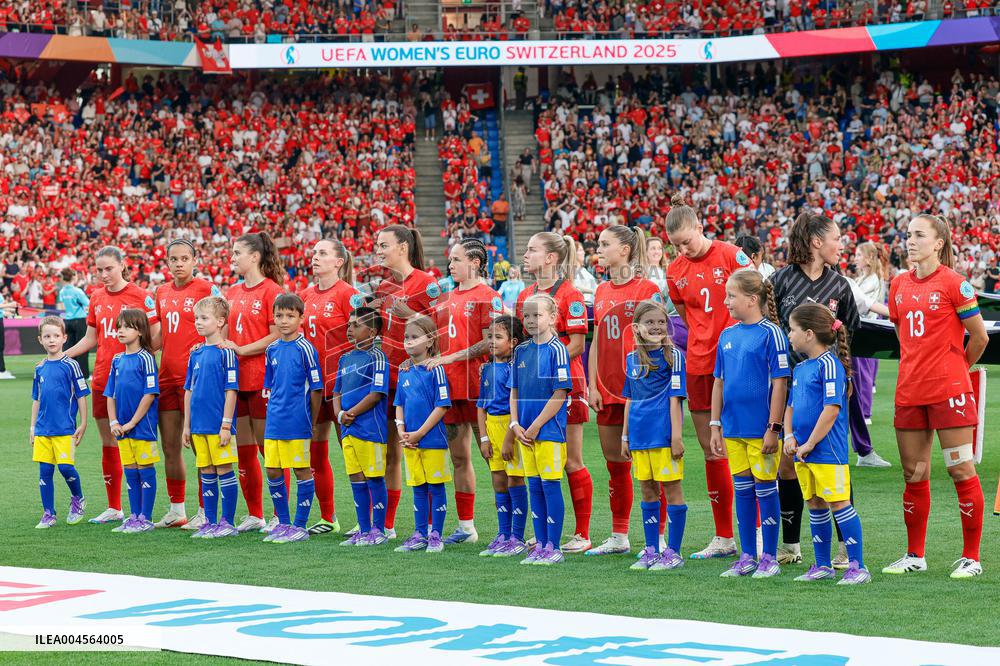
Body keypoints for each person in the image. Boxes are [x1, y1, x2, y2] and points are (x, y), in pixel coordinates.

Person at [769, 212, 882, 567]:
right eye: (836, 238)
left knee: (832, 465)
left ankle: (846, 548)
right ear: (816, 241)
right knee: (789, 464)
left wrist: (839, 374)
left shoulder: (840, 285)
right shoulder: (779, 280)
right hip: (788, 386)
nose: (841, 245)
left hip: (827, 388)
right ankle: (791, 545)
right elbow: (771, 332)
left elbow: (850, 331)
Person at [882, 215, 989, 580]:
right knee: (914, 474)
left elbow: (980, 338)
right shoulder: (898, 284)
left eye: (919, 235)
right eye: (908, 234)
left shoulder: (955, 284)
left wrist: (956, 369)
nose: (910, 241)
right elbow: (903, 337)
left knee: (960, 470)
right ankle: (915, 555)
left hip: (949, 393)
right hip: (910, 391)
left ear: (939, 243)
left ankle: (972, 557)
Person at [665, 194, 747, 559]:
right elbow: (687, 316)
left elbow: (758, 300)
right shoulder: (675, 270)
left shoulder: (731, 256)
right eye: (676, 245)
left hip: (740, 363)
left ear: (700, 227)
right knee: (713, 450)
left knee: (748, 445)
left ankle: (756, 533)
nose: (683, 250)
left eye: (687, 241)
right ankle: (724, 537)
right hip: (699, 363)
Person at [65, 246, 161, 526]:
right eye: (99, 270)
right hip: (103, 380)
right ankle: (114, 507)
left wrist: (137, 362)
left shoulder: (141, 296)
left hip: (133, 385)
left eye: (109, 268)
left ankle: (143, 512)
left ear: (122, 266)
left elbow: (157, 337)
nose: (104, 274)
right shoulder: (96, 297)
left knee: (138, 443)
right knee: (110, 442)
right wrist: (62, 356)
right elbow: (90, 339)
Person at [710, 270, 790, 578]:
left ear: (753, 299)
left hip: (761, 430)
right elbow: (719, 382)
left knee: (766, 490)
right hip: (733, 428)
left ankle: (768, 557)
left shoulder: (771, 334)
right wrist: (715, 424)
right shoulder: (727, 335)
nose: (726, 301)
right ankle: (747, 556)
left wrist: (774, 427)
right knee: (742, 491)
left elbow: (780, 383)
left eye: (732, 296)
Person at [422, 238, 503, 544]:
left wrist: (453, 357)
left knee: (495, 457)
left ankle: (510, 529)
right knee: (459, 457)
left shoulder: (489, 297)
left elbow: (492, 341)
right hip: (450, 386)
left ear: (475, 263)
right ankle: (467, 527)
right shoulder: (444, 298)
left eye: (456, 259)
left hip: (480, 387)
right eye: (450, 260)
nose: (451, 265)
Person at [586, 226, 661, 556]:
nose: (599, 249)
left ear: (625, 250)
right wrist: (592, 384)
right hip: (607, 388)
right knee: (615, 465)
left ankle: (657, 538)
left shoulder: (648, 289)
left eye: (605, 244)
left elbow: (660, 340)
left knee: (649, 465)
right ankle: (619, 536)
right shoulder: (600, 290)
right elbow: (596, 342)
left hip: (641, 391)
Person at [783, 303, 871, 585]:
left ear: (809, 334)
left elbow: (831, 409)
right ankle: (822, 565)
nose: (789, 335)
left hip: (826, 451)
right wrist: (789, 436)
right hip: (803, 451)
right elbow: (791, 407)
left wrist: (810, 443)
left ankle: (857, 567)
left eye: (792, 329)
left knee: (839, 503)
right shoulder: (800, 368)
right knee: (814, 503)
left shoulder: (830, 365)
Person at [516, 233, 593, 554]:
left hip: (565, 386)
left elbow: (577, 344)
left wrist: (544, 365)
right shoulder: (525, 295)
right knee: (538, 462)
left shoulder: (570, 294)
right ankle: (545, 532)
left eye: (532, 249)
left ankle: (582, 533)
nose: (525, 254)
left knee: (571, 460)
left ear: (550, 257)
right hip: (533, 392)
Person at [372, 225, 439, 538]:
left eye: (383, 245)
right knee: (390, 453)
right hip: (388, 378)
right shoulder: (383, 286)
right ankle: (387, 525)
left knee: (421, 450)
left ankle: (431, 526)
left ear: (403, 247)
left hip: (419, 381)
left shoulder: (427, 283)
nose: (379, 250)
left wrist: (410, 313)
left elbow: (440, 329)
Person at [152, 239, 221, 530]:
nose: (179, 263)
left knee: (200, 446)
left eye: (184, 258)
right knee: (170, 446)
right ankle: (176, 509)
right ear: (167, 262)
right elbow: (161, 336)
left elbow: (223, 325)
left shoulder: (207, 289)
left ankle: (206, 510)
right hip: (166, 377)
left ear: (194, 260)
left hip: (197, 379)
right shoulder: (161, 292)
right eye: (173, 259)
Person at [223, 232, 284, 534]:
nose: (232, 258)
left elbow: (278, 333)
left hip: (262, 378)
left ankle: (279, 514)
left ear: (255, 257)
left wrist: (242, 349)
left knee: (267, 450)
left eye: (237, 253)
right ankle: (254, 514)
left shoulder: (272, 291)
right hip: (236, 381)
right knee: (244, 451)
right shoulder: (232, 291)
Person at [622, 300, 688, 571]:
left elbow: (675, 399)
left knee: (671, 490)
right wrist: (625, 436)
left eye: (661, 322)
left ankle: (673, 552)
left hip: (663, 435)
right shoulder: (631, 359)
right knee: (647, 489)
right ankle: (651, 550)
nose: (657, 327)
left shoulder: (674, 357)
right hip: (639, 436)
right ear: (636, 327)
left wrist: (676, 436)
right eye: (650, 322)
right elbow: (630, 399)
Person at [300, 238, 359, 536]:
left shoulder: (349, 294)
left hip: (343, 386)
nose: (315, 257)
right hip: (313, 386)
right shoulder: (304, 296)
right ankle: (328, 517)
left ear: (338, 262)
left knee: (353, 451)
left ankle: (367, 520)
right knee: (315, 451)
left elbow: (364, 340)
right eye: (314, 252)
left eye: (322, 253)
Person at [510, 293, 572, 566]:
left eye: (537, 315)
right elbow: (514, 390)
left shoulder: (557, 349)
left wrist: (535, 426)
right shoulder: (520, 351)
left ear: (552, 317)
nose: (531, 320)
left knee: (549, 485)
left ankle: (553, 547)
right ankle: (540, 544)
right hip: (524, 433)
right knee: (534, 486)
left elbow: (560, 393)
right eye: (527, 316)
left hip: (548, 432)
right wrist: (515, 424)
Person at [260, 294, 324, 544]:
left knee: (300, 469)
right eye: (279, 316)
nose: (284, 321)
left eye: (290, 316)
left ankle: (300, 525)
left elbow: (316, 389)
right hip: (275, 419)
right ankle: (284, 523)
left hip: (298, 419)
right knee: (273, 469)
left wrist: (312, 421)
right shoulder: (271, 349)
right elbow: (271, 385)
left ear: (301, 318)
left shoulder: (305, 348)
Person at [182, 296, 240, 539]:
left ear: (220, 321)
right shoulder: (195, 354)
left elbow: (231, 390)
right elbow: (189, 390)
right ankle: (211, 522)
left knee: (224, 469)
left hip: (218, 426)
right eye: (196, 318)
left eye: (204, 318)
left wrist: (226, 425)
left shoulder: (226, 353)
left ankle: (227, 523)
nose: (198, 322)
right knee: (206, 470)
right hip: (198, 425)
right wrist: (186, 426)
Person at [333, 307, 391, 547]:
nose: (350, 329)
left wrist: (352, 413)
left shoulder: (378, 357)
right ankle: (364, 529)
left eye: (356, 325)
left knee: (374, 478)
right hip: (348, 428)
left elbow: (376, 393)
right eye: (349, 324)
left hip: (370, 429)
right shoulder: (344, 358)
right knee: (356, 478)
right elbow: (336, 391)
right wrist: (339, 414)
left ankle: (378, 530)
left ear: (373, 332)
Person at [394, 315, 452, 553]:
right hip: (410, 441)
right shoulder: (404, 371)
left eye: (415, 337)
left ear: (429, 341)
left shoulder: (436, 370)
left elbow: (442, 405)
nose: (408, 341)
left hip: (433, 440)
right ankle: (420, 533)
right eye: (406, 337)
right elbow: (399, 404)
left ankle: (436, 534)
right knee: (418, 487)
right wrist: (401, 430)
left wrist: (419, 432)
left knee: (435, 487)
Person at [476, 315, 529, 558]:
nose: (492, 341)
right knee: (498, 480)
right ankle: (503, 533)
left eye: (498, 337)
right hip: (491, 428)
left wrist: (509, 437)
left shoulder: (514, 369)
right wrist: (484, 438)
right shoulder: (487, 368)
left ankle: (517, 537)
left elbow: (515, 404)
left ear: (513, 342)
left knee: (514, 480)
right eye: (490, 337)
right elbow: (481, 406)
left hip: (510, 427)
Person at [104, 308, 160, 534]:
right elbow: (110, 394)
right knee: (130, 469)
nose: (121, 330)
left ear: (140, 331)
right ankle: (134, 516)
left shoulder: (146, 358)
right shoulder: (117, 360)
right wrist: (113, 422)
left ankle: (145, 518)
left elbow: (150, 394)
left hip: (142, 426)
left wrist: (132, 423)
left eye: (127, 327)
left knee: (145, 468)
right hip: (121, 428)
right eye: (119, 326)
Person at [31, 316, 89, 528]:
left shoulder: (71, 365)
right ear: (40, 340)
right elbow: (36, 399)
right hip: (42, 429)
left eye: (56, 335)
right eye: (47, 336)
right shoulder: (39, 368)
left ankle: (78, 498)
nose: (52, 340)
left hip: (65, 429)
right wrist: (32, 427)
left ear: (64, 338)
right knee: (45, 472)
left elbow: (81, 396)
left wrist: (83, 423)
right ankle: (49, 513)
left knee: (65, 468)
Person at [850, 242, 889, 439]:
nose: (855, 258)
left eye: (859, 255)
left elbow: (863, 305)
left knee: (864, 373)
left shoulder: (873, 279)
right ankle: (862, 409)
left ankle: (865, 411)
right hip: (861, 327)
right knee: (860, 372)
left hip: (866, 328)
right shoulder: (863, 278)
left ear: (868, 258)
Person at [57, 269, 90, 378]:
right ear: (72, 277)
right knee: (82, 347)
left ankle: (71, 373)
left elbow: (63, 305)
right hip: (79, 320)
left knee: (69, 347)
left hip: (68, 321)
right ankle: (83, 374)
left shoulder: (62, 291)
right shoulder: (77, 291)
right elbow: (88, 303)